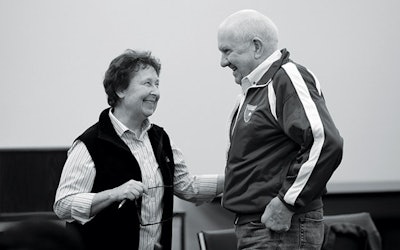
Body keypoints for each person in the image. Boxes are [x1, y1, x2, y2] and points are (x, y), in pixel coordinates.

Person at [53, 49, 224, 250]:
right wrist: (113, 194)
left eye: (157, 84)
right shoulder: (90, 143)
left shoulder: (161, 139)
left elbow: (187, 186)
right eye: (147, 83)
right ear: (120, 90)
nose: (156, 92)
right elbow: (63, 205)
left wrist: (237, 177)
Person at [217, 9, 343, 249]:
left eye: (227, 51)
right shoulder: (255, 89)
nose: (222, 62)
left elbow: (325, 141)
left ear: (256, 46)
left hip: (279, 230)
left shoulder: (286, 78)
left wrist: (287, 203)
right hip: (260, 228)